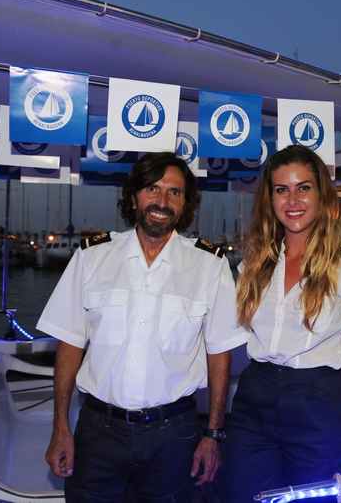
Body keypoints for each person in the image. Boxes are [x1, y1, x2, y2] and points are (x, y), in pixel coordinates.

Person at [37, 152, 248, 502]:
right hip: (98, 432)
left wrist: (213, 434)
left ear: (185, 204)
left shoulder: (209, 266)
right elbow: (70, 346)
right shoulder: (92, 257)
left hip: (174, 436)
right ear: (134, 196)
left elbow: (219, 356)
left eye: (174, 192)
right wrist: (60, 426)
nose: (162, 201)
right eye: (153, 188)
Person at [222, 145, 341, 502]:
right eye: (282, 190)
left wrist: (329, 403)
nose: (292, 200)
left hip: (317, 403)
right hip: (254, 401)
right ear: (270, 198)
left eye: (303, 188)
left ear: (321, 194)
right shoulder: (255, 262)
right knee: (246, 496)